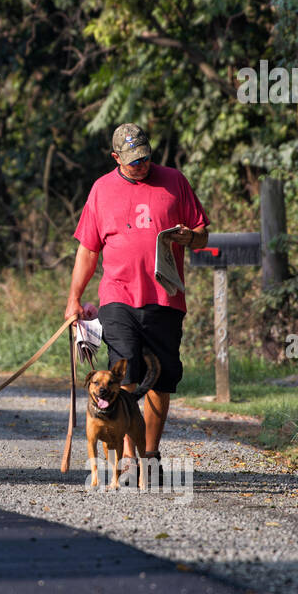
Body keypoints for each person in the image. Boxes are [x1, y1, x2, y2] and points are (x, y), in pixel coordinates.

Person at [64, 124, 210, 479]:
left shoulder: (174, 181)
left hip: (165, 297)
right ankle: (127, 457)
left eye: (145, 157)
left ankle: (150, 454)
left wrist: (190, 236)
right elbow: (88, 250)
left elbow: (203, 236)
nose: (140, 164)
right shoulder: (101, 190)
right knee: (124, 372)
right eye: (132, 162)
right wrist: (74, 298)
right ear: (116, 159)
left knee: (161, 378)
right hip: (118, 297)